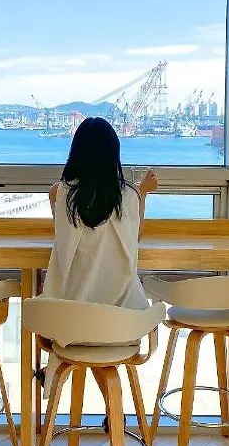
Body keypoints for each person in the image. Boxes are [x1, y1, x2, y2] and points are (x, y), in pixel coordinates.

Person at [38, 117, 158, 406]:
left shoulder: (59, 193)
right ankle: (115, 410)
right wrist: (143, 193)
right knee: (101, 328)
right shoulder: (129, 195)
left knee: (86, 324)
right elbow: (135, 237)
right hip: (123, 326)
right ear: (113, 154)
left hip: (70, 325)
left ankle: (103, 406)